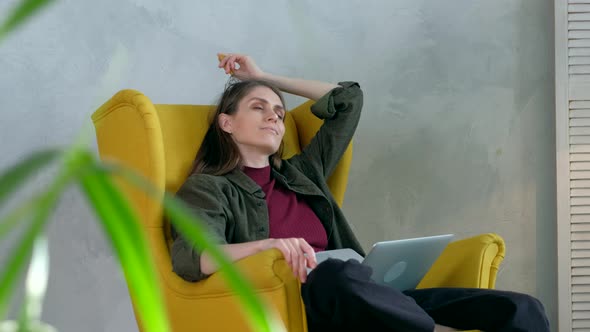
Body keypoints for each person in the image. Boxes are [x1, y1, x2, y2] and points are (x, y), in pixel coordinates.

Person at [170, 53, 550, 332]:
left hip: (370, 298)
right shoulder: (209, 188)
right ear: (226, 122)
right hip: (315, 304)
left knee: (520, 310)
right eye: (258, 107)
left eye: (279, 113)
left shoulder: (304, 172)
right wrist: (267, 245)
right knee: (333, 273)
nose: (274, 116)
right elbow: (194, 257)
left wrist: (263, 77)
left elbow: (349, 101)